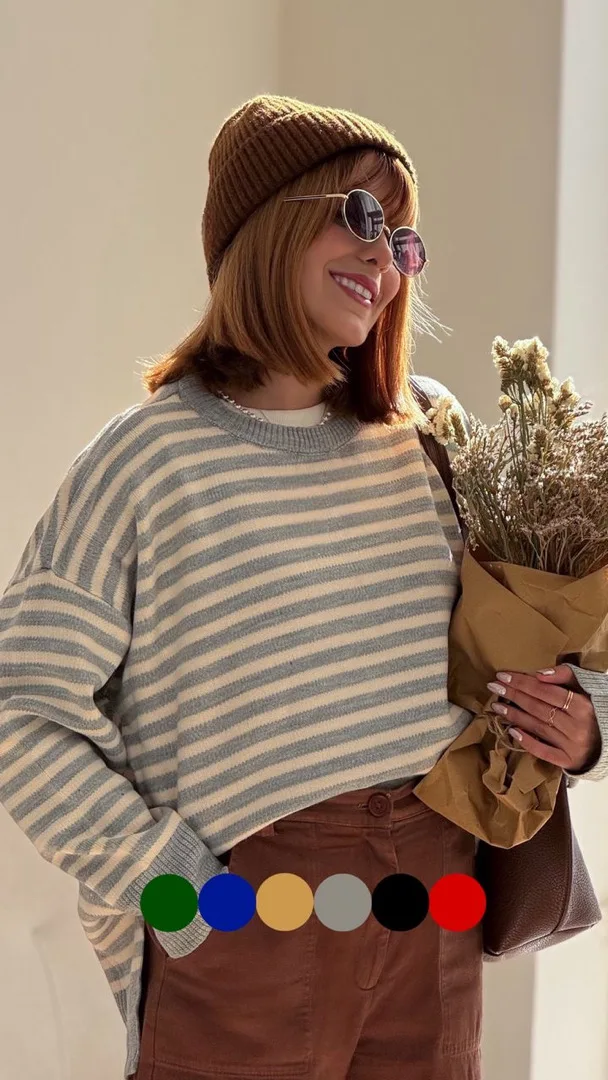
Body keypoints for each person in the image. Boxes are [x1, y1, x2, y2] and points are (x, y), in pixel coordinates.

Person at [1, 94, 607, 1080]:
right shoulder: (148, 462)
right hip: (244, 918)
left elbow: (537, 636)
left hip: (438, 902)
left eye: (402, 239)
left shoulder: (429, 435)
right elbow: (23, 707)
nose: (382, 257)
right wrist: (173, 889)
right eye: (359, 215)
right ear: (262, 225)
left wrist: (586, 725)